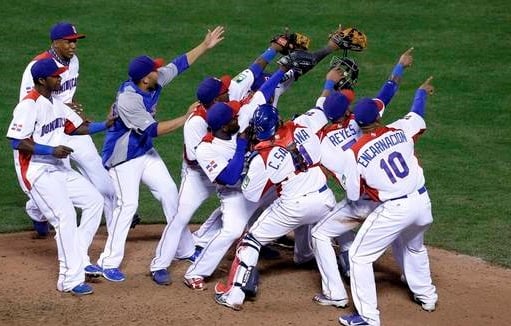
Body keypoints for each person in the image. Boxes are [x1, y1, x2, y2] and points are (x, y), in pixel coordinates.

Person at [149, 39, 289, 285]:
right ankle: (159, 265)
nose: (229, 89)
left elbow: (254, 71)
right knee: (181, 216)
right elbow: (196, 158)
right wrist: (236, 152)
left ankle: (249, 240)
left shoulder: (227, 100)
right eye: (224, 89)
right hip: (199, 175)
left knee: (248, 200)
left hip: (226, 164)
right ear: (216, 99)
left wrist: (275, 50)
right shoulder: (195, 123)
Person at [96, 26, 225, 282]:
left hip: (144, 150)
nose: (159, 70)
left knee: (169, 194)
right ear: (145, 78)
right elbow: (154, 129)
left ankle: (185, 249)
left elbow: (179, 64)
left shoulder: (152, 82)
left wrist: (205, 44)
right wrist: (186, 116)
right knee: (127, 205)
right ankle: (106, 262)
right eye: (154, 68)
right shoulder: (128, 100)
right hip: (123, 158)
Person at [310, 48, 414, 308]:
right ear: (349, 112)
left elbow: (319, 113)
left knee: (320, 234)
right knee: (400, 235)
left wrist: (327, 84)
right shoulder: (360, 120)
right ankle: (414, 283)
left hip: (359, 202)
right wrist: (400, 66)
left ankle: (335, 292)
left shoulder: (319, 143)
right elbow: (386, 93)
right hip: (388, 198)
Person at [213, 103, 338, 311]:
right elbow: (325, 112)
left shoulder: (262, 157)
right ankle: (313, 261)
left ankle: (234, 294)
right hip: (325, 199)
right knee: (314, 225)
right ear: (279, 121)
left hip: (295, 205)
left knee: (251, 240)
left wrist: (259, 170)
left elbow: (251, 194)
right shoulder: (301, 124)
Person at [181, 62, 293, 290]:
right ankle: (195, 272)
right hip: (234, 194)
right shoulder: (206, 148)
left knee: (296, 194)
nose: (237, 115)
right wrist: (242, 145)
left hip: (260, 183)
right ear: (223, 126)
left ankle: (305, 249)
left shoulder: (238, 121)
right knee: (232, 230)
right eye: (232, 116)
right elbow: (230, 178)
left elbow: (262, 94)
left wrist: (283, 68)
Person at [7, 58, 112, 295]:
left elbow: (76, 128)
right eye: (56, 76)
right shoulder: (29, 105)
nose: (61, 78)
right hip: (38, 171)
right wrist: (50, 150)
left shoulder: (55, 101)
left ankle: (78, 255)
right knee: (64, 217)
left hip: (60, 169)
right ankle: (69, 279)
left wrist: (107, 124)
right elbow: (17, 141)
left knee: (94, 201)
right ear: (42, 80)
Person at [338, 76, 438, 326]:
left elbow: (352, 195)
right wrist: (421, 92)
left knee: (359, 257)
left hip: (395, 209)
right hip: (422, 203)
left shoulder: (355, 152)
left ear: (359, 124)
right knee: (414, 247)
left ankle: (368, 317)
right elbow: (416, 113)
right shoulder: (400, 130)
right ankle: (427, 297)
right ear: (378, 117)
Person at [19, 22, 117, 237]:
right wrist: (62, 107)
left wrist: (74, 110)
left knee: (97, 170)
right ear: (55, 42)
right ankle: (36, 211)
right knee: (59, 183)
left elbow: (67, 94)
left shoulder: (73, 62)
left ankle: (115, 233)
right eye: (68, 42)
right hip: (50, 132)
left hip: (71, 125)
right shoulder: (37, 67)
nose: (73, 46)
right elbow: (31, 102)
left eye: (75, 41)